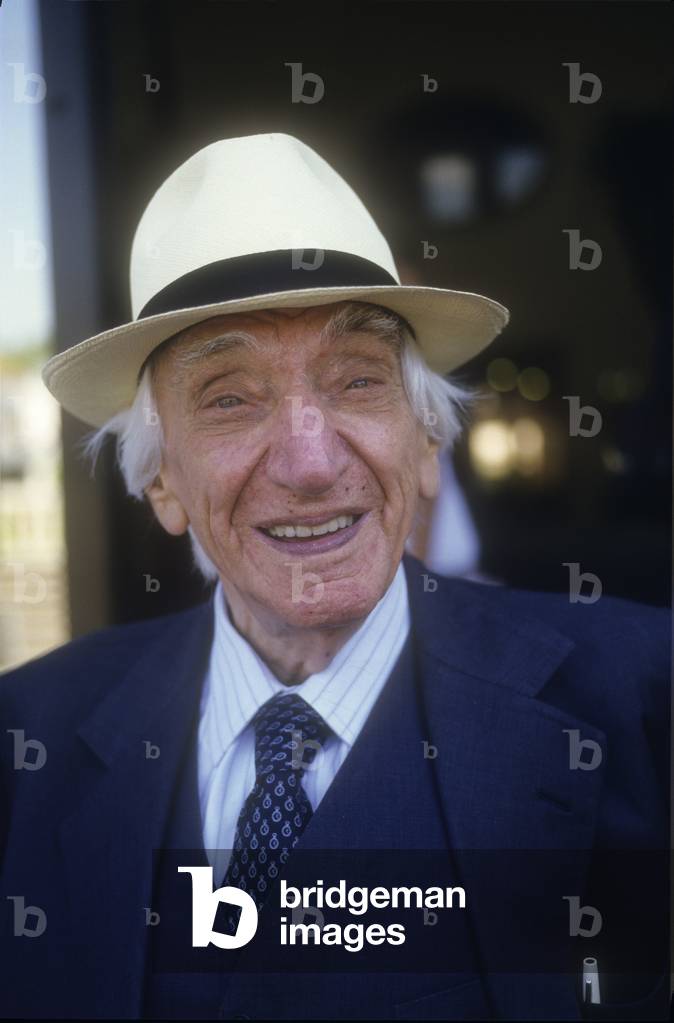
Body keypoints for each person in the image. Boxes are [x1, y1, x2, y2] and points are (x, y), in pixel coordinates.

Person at [0, 134, 668, 1020]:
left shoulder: (643, 696)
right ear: (161, 480)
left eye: (358, 381)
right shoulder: (26, 737)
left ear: (426, 441)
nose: (312, 462)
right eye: (230, 398)